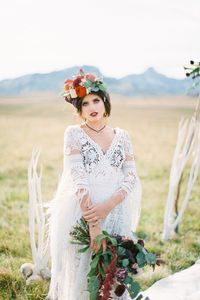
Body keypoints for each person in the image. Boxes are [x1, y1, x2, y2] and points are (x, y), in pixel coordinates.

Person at [46, 69, 142, 300]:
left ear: (105, 102)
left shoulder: (123, 136)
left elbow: (130, 176)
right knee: (86, 271)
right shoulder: (74, 135)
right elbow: (78, 178)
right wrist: (94, 224)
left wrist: (109, 205)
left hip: (116, 210)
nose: (91, 107)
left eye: (96, 100)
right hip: (83, 211)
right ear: (79, 109)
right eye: (85, 103)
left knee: (113, 270)